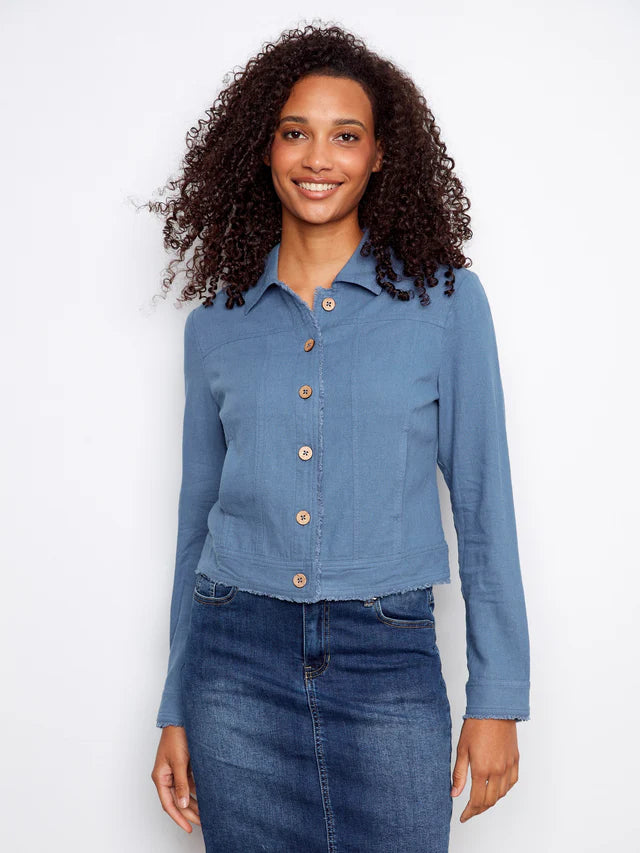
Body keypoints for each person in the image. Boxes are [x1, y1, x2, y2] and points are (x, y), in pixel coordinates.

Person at [148, 23, 530, 853]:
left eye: (345, 136)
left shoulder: (445, 304)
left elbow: (483, 501)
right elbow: (195, 522)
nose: (318, 157)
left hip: (387, 657)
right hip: (232, 660)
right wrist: (175, 705)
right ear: (265, 148)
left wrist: (497, 694)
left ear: (381, 154)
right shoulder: (216, 323)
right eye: (296, 132)